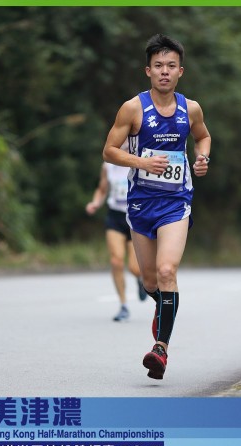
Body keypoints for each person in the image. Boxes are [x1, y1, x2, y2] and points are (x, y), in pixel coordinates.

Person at [102, 34, 211, 380]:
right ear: (148, 70)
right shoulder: (133, 108)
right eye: (159, 66)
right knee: (150, 279)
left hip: (176, 203)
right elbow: (109, 151)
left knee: (166, 272)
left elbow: (203, 136)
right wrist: (141, 163)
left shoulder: (190, 108)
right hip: (140, 203)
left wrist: (203, 157)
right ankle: (163, 307)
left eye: (171, 66)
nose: (165, 71)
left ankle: (160, 349)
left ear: (181, 71)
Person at [86, 154, 148, 322]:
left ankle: (141, 280)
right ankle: (123, 305)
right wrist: (95, 203)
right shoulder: (108, 165)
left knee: (135, 267)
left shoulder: (140, 161)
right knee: (116, 261)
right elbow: (102, 189)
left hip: (136, 217)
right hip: (115, 217)